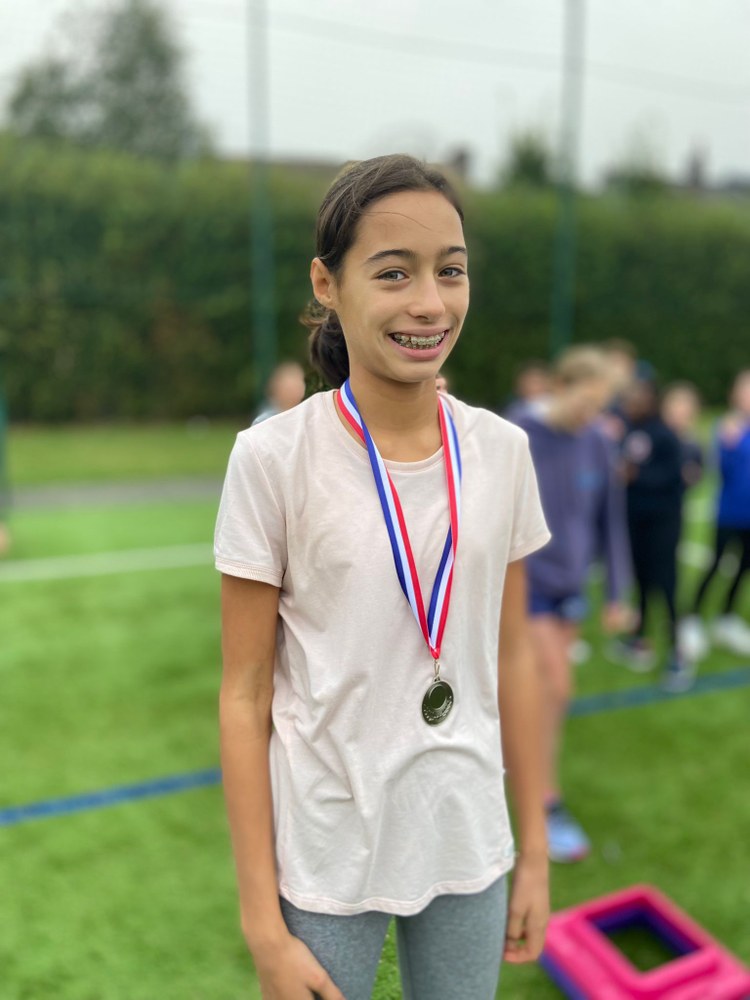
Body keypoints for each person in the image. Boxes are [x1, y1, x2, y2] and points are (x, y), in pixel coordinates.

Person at [215, 154, 552, 1000]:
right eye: (394, 273)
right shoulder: (272, 459)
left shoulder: (504, 452)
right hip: (328, 849)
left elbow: (513, 660)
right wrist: (262, 927)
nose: (429, 303)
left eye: (451, 271)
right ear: (327, 284)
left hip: (469, 838)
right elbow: (244, 696)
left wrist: (534, 853)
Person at [510, 346, 631, 863]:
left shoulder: (597, 441)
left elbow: (610, 518)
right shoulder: (518, 432)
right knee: (555, 686)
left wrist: (618, 591)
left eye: (601, 406)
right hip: (526, 584)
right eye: (586, 402)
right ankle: (544, 801)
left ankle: (530, 780)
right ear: (560, 386)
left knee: (545, 698)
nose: (592, 414)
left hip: (571, 586)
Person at [609, 379, 693, 691]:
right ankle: (640, 640)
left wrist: (636, 476)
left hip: (663, 523)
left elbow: (674, 477)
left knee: (666, 585)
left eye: (639, 398)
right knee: (641, 580)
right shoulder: (631, 431)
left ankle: (677, 654)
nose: (632, 403)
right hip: (636, 521)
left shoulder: (666, 435)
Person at [680, 370, 750, 660]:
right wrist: (729, 444)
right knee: (716, 565)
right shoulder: (727, 426)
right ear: (735, 394)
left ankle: (727, 618)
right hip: (729, 513)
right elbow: (721, 470)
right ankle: (692, 618)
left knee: (744, 568)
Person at [252, 360, 306, 425]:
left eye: (297, 385)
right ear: (276, 388)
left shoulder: (307, 415)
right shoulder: (264, 421)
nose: (295, 392)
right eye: (289, 388)